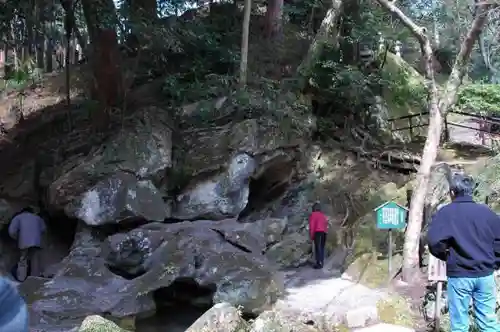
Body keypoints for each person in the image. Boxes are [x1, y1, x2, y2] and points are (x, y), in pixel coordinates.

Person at [427, 173, 500, 332]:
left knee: (459, 324)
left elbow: (433, 241)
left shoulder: (446, 213)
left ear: (452, 192)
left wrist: (446, 255)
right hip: (485, 275)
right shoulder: (486, 213)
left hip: (459, 275)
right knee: (488, 322)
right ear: (471, 191)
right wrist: (494, 262)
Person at [8, 207, 46, 281]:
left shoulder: (18, 217)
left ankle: (21, 279)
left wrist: (17, 238)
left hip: (24, 242)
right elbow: (43, 229)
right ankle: (35, 278)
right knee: (35, 260)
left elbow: (11, 231)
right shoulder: (37, 218)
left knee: (23, 259)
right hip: (36, 242)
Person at [309, 202, 328, 269]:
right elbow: (325, 224)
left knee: (318, 248)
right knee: (322, 248)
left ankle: (318, 264)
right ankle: (321, 262)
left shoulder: (313, 215)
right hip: (324, 233)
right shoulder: (322, 215)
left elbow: (312, 226)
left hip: (318, 232)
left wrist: (311, 236)